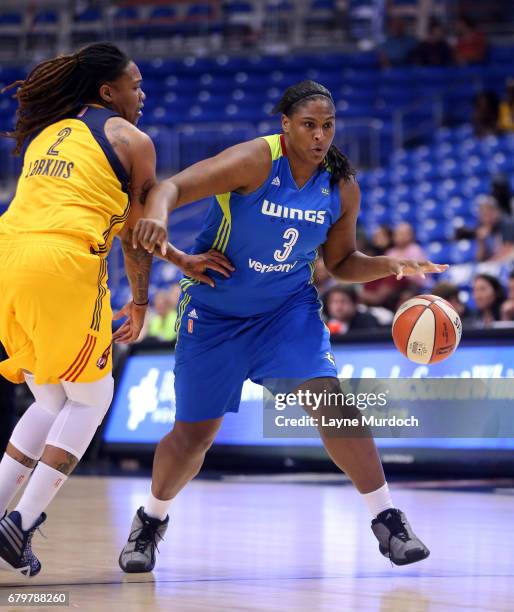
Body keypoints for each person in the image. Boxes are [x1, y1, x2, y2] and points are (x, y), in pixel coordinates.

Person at [119, 80, 448, 572]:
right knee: (193, 437)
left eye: (328, 126)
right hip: (215, 314)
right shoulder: (255, 161)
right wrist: (160, 219)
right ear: (286, 125)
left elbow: (340, 262)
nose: (320, 136)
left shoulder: (341, 184)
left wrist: (388, 265)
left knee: (331, 401)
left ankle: (387, 519)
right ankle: (151, 519)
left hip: (286, 312)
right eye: (309, 125)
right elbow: (171, 187)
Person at [0, 42, 232, 578]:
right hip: (60, 265)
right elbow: (139, 233)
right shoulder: (133, 140)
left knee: (53, 398)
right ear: (109, 92)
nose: (142, 93)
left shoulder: (50, 132)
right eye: (135, 84)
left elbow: (136, 230)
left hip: (10, 260)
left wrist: (177, 259)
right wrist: (145, 298)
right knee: (94, 396)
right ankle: (22, 522)